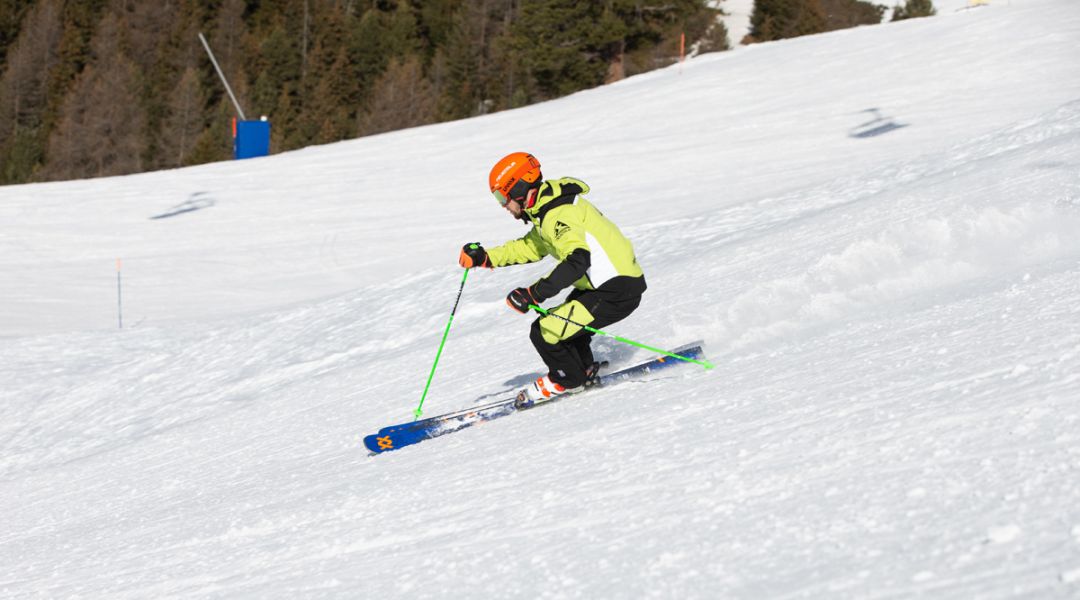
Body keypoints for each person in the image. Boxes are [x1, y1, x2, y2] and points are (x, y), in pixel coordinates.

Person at [458, 152, 647, 408]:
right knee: (566, 331)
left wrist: (534, 294)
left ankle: (569, 380)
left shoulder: (558, 214)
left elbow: (578, 259)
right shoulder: (546, 210)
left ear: (519, 187)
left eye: (502, 197)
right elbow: (530, 247)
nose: (503, 205)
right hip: (604, 286)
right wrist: (485, 257)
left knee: (545, 331)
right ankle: (581, 371)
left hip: (614, 290)